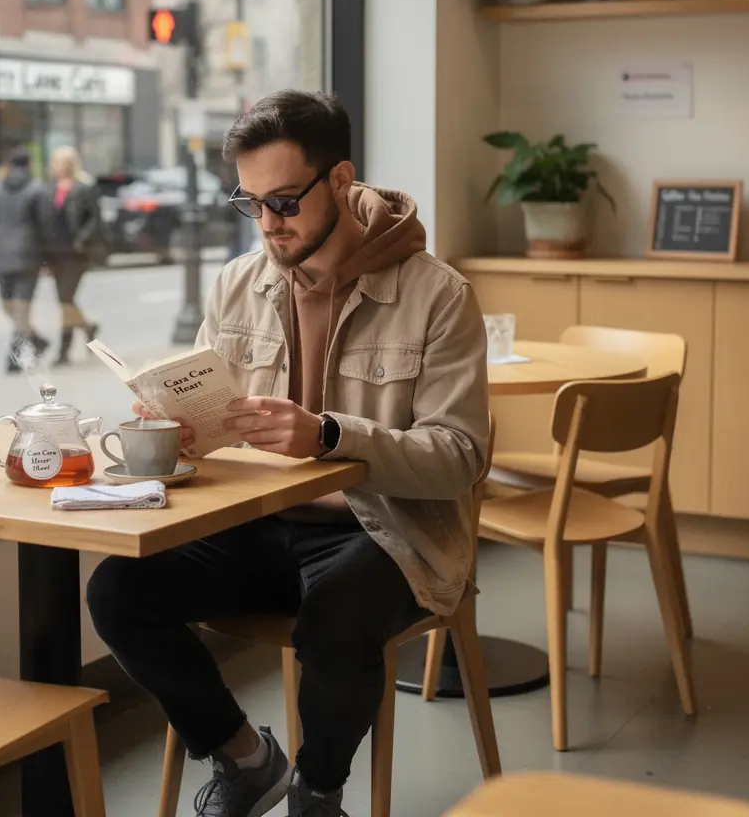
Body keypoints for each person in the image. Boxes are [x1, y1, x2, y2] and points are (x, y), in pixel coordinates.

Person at [87, 90, 490, 817]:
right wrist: (184, 428)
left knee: (337, 617)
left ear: (341, 180)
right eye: (251, 204)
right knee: (118, 591)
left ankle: (316, 791)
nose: (269, 224)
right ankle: (246, 758)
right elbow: (228, 421)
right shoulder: (238, 283)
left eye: (284, 202)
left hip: (386, 529)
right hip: (259, 521)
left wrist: (331, 436)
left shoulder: (438, 295)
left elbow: (459, 456)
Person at [0, 149, 49, 372]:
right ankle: (18, 353)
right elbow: (45, 225)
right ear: (29, 165)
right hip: (28, 254)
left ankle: (28, 346)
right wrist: (47, 259)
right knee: (20, 309)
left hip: (2, 254)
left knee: (9, 306)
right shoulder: (38, 189)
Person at [43, 146, 101, 365]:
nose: (62, 165)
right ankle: (87, 327)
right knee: (64, 300)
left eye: (67, 161)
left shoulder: (84, 188)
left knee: (66, 298)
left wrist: (82, 240)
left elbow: (95, 220)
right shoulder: (48, 189)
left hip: (76, 253)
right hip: (54, 252)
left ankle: (63, 350)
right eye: (59, 161)